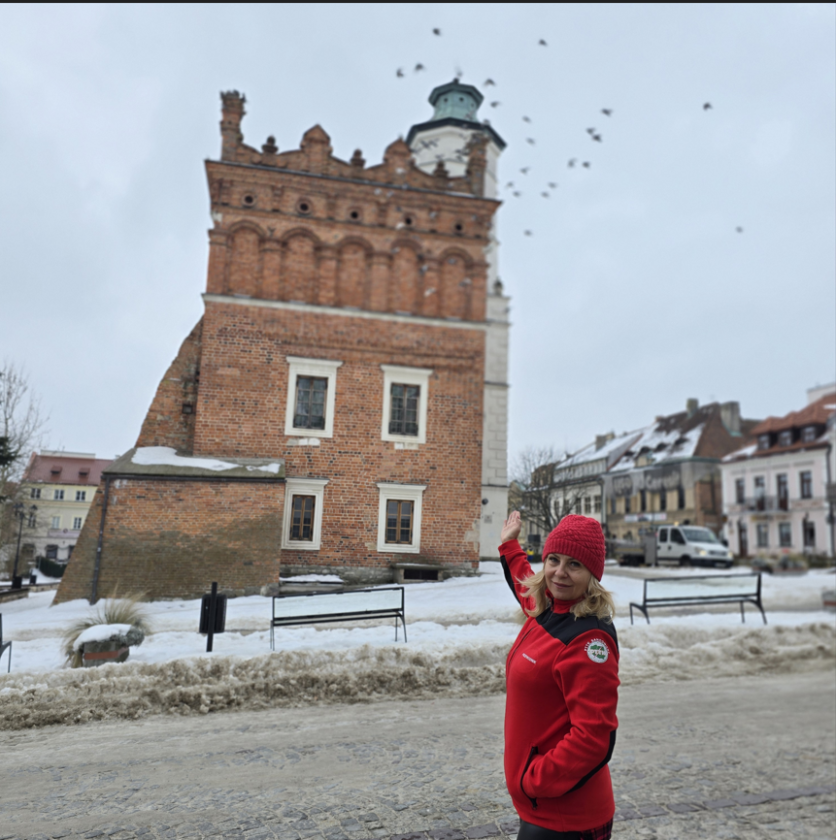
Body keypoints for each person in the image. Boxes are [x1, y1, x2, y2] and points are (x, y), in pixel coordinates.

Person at [499, 510, 619, 840]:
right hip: (541, 810)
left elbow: (594, 738)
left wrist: (534, 781)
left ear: (592, 574)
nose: (560, 573)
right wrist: (510, 546)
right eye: (554, 559)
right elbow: (527, 587)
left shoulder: (589, 640)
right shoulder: (550, 609)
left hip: (566, 819)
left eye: (574, 565)